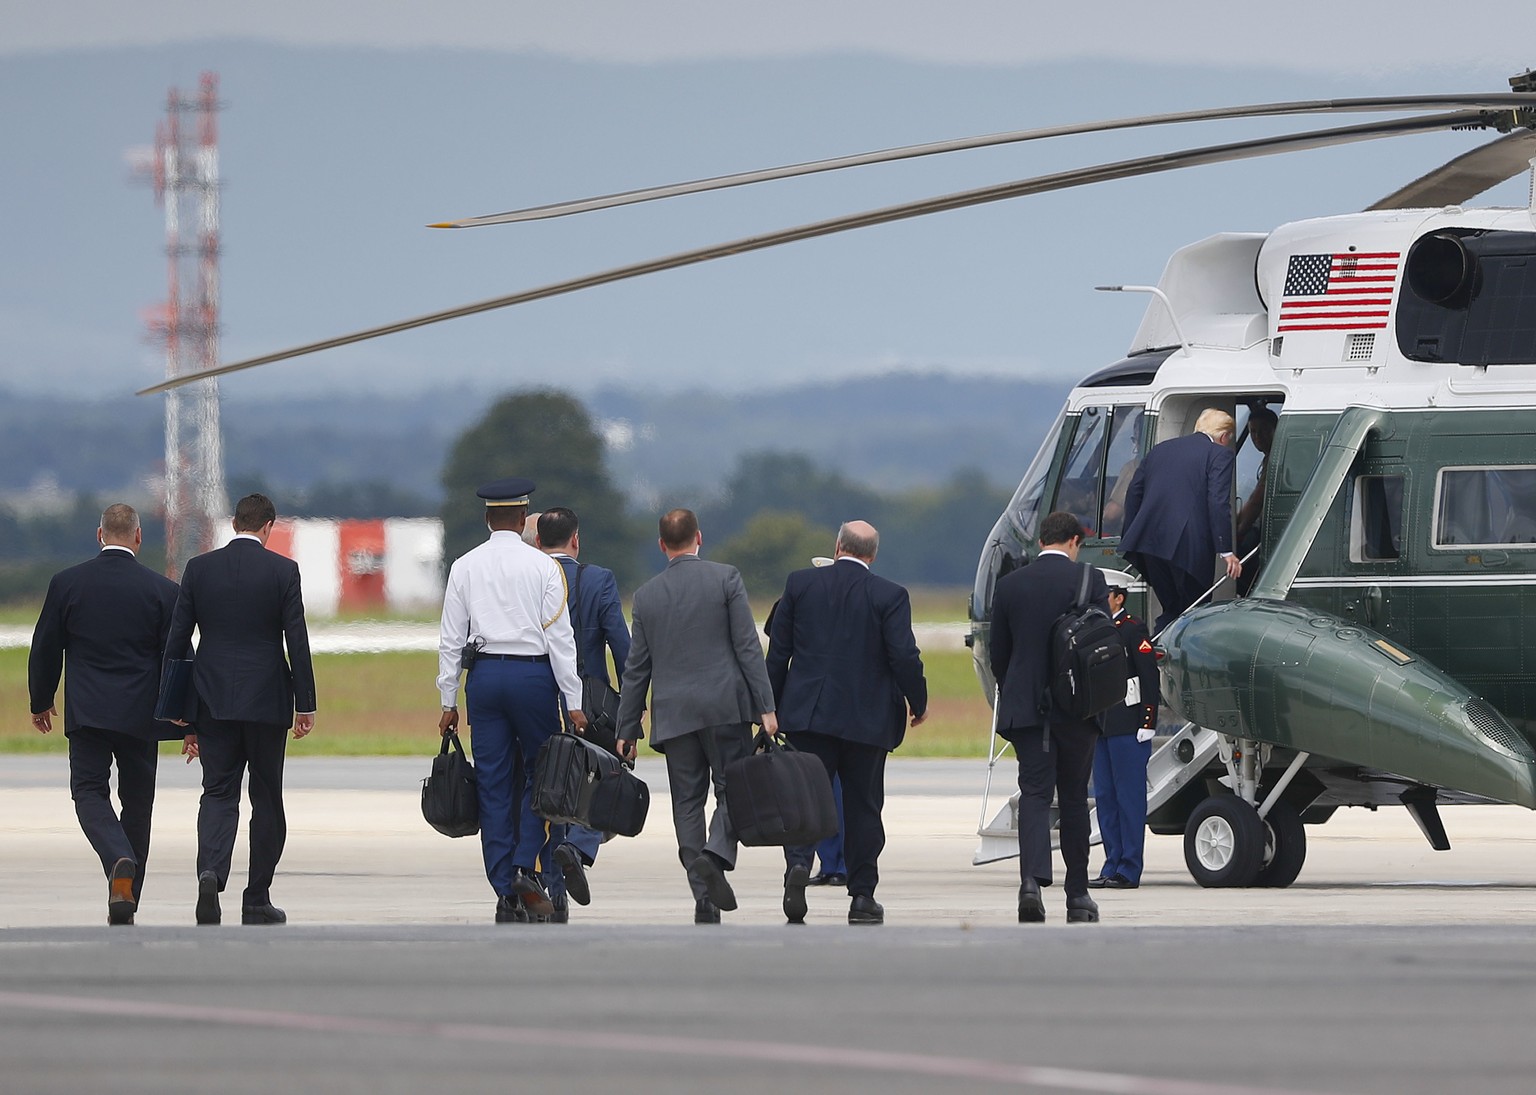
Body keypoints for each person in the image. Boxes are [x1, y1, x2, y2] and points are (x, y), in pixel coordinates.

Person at [616, 508, 777, 924]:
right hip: (726, 707)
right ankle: (716, 853)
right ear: (699, 538)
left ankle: (702, 894)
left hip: (674, 715)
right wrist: (767, 706)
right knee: (732, 791)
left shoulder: (647, 596)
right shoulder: (726, 579)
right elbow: (747, 646)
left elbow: (637, 668)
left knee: (687, 803)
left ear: (661, 545)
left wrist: (626, 727)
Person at [437, 478, 587, 924]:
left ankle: (504, 890)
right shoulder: (544, 568)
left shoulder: (464, 565)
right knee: (541, 777)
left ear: (488, 519)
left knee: (493, 784)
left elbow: (450, 640)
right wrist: (574, 699)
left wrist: (448, 699)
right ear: (524, 521)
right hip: (531, 676)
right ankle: (527, 865)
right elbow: (561, 639)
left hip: (483, 679)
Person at [28, 503, 186, 925]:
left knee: (88, 793)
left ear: (100, 536)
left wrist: (41, 699)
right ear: (137, 537)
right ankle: (127, 894)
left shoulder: (67, 584)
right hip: (143, 716)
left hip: (89, 714)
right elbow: (177, 659)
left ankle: (118, 860)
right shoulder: (162, 591)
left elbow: (45, 646)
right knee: (138, 803)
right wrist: (188, 720)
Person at [164, 493, 316, 927]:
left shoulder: (199, 569)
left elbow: (177, 642)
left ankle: (211, 871)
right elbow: (297, 641)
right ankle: (257, 898)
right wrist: (305, 703)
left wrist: (179, 706)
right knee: (266, 797)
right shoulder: (283, 571)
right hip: (267, 701)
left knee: (218, 792)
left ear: (235, 524)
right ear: (268, 526)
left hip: (212, 701)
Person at [766, 520, 927, 925]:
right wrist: (918, 701)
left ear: (837, 547)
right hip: (867, 719)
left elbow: (778, 653)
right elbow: (904, 656)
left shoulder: (801, 585)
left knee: (804, 799)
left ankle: (798, 865)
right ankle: (862, 896)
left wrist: (769, 707)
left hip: (808, 714)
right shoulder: (891, 595)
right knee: (864, 808)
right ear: (872, 555)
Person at [989, 510, 1107, 925]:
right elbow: (1100, 648)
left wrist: (1020, 688)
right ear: (1074, 541)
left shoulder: (1010, 585)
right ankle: (1078, 894)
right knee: (1074, 798)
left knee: (1035, 795)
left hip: (1028, 710)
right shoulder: (1090, 581)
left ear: (1042, 541)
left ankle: (1031, 885)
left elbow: (998, 654)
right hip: (1076, 710)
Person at [536, 505, 632, 909]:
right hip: (590, 700)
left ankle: (553, 892)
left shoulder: (529, 578)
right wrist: (631, 706)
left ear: (538, 542)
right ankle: (580, 843)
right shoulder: (598, 580)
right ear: (576, 539)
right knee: (604, 779)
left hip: (540, 693)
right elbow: (621, 645)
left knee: (546, 789)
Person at [1119, 408, 1242, 634]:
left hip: (1150, 545)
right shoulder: (1220, 454)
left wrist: (1133, 535)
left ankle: (1159, 653)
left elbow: (1134, 493)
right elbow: (1217, 501)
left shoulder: (1160, 450)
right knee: (1195, 613)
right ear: (1224, 437)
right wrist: (1226, 551)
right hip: (1188, 547)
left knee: (1171, 608)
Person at [1088, 584, 1160, 890]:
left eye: (1106, 595)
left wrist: (1149, 719)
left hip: (1128, 726)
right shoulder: (1093, 627)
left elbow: (1149, 675)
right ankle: (1111, 862)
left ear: (1119, 598)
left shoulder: (1132, 629)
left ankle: (1129, 868)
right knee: (1105, 798)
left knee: (1129, 799)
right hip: (1102, 725)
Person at [1235, 407, 1277, 597]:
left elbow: (1257, 501)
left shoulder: (1275, 459)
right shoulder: (1269, 457)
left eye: (1263, 430)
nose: (1257, 436)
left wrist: (1239, 531)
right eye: (1252, 431)